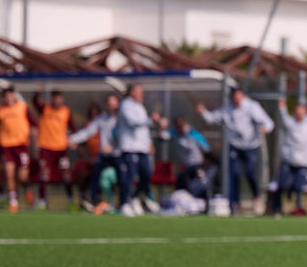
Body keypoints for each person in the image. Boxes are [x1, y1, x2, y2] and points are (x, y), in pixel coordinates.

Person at [195, 86, 273, 214]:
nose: (236, 99)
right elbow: (211, 118)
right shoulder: (227, 109)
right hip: (234, 145)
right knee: (234, 174)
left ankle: (256, 197)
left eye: (239, 96)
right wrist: (203, 112)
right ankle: (234, 204)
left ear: (242, 96)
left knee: (249, 173)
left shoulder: (252, 106)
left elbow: (268, 123)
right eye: (234, 97)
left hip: (250, 146)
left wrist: (265, 128)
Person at [113, 84, 163, 214]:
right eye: (139, 91)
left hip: (142, 148)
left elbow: (144, 128)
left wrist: (149, 142)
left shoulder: (140, 106)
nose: (142, 93)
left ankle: (135, 198)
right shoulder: (125, 105)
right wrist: (150, 119)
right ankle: (124, 203)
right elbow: (133, 122)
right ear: (132, 93)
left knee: (147, 174)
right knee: (128, 178)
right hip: (130, 148)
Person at [70, 94, 121, 214]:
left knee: (121, 181)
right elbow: (87, 132)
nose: (111, 107)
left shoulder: (122, 118)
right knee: (96, 179)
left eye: (114, 105)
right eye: (109, 105)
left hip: (118, 156)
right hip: (103, 157)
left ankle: (120, 204)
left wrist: (113, 146)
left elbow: (125, 136)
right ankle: (96, 203)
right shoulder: (101, 119)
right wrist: (72, 139)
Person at [268, 101, 307, 216]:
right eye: (297, 111)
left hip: (304, 162)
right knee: (281, 185)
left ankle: (298, 207)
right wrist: (282, 107)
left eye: (301, 112)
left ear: (305, 112)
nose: (299, 114)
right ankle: (276, 209)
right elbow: (283, 118)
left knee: (298, 186)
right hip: (288, 160)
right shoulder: (290, 123)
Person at [0, 85, 33, 213]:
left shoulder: (22, 107)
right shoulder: (0, 111)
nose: (9, 97)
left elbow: (33, 123)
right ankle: (13, 201)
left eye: (11, 94)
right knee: (9, 174)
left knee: (22, 176)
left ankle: (26, 188)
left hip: (21, 146)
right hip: (7, 146)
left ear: (14, 95)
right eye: (6, 95)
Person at [157, 115, 214, 201]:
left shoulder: (194, 134)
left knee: (199, 186)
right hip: (186, 167)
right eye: (178, 127)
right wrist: (162, 127)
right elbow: (162, 137)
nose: (180, 129)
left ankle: (205, 203)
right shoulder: (175, 133)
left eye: (181, 126)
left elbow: (207, 149)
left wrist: (207, 164)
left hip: (198, 166)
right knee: (180, 185)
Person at [34, 89, 74, 209]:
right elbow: (35, 102)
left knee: (66, 174)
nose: (56, 100)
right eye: (54, 98)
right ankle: (42, 201)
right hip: (46, 148)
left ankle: (70, 200)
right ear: (52, 99)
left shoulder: (66, 111)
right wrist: (37, 93)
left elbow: (73, 128)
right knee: (44, 174)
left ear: (62, 99)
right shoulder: (45, 109)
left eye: (58, 98)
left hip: (61, 150)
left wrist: (73, 140)